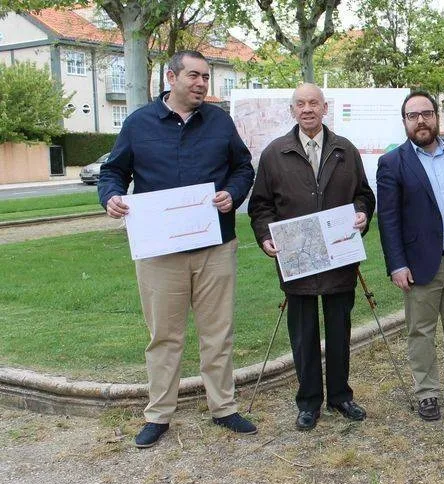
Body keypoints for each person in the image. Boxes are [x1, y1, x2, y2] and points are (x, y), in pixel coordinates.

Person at [97, 50, 257, 448]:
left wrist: (233, 194)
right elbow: (113, 171)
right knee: (164, 336)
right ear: (171, 78)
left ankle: (223, 407)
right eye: (194, 76)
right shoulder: (138, 124)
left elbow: (243, 168)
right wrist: (111, 197)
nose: (202, 83)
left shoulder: (219, 121)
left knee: (217, 333)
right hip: (159, 252)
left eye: (205, 77)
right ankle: (159, 415)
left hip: (215, 246)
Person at [248, 83, 375, 430]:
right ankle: (308, 403)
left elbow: (364, 195)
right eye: (301, 104)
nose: (307, 109)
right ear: (292, 110)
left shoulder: (345, 150)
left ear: (324, 108)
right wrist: (265, 237)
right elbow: (260, 206)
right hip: (297, 261)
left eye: (314, 103)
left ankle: (340, 397)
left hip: (339, 260)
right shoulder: (274, 154)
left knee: (339, 332)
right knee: (303, 336)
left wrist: (362, 214)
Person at [376, 90, 444, 421]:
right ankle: (426, 392)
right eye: (413, 116)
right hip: (419, 264)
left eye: (426, 113)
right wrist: (397, 264)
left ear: (436, 116)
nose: (420, 121)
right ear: (405, 122)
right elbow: (388, 220)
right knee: (421, 331)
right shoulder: (392, 163)